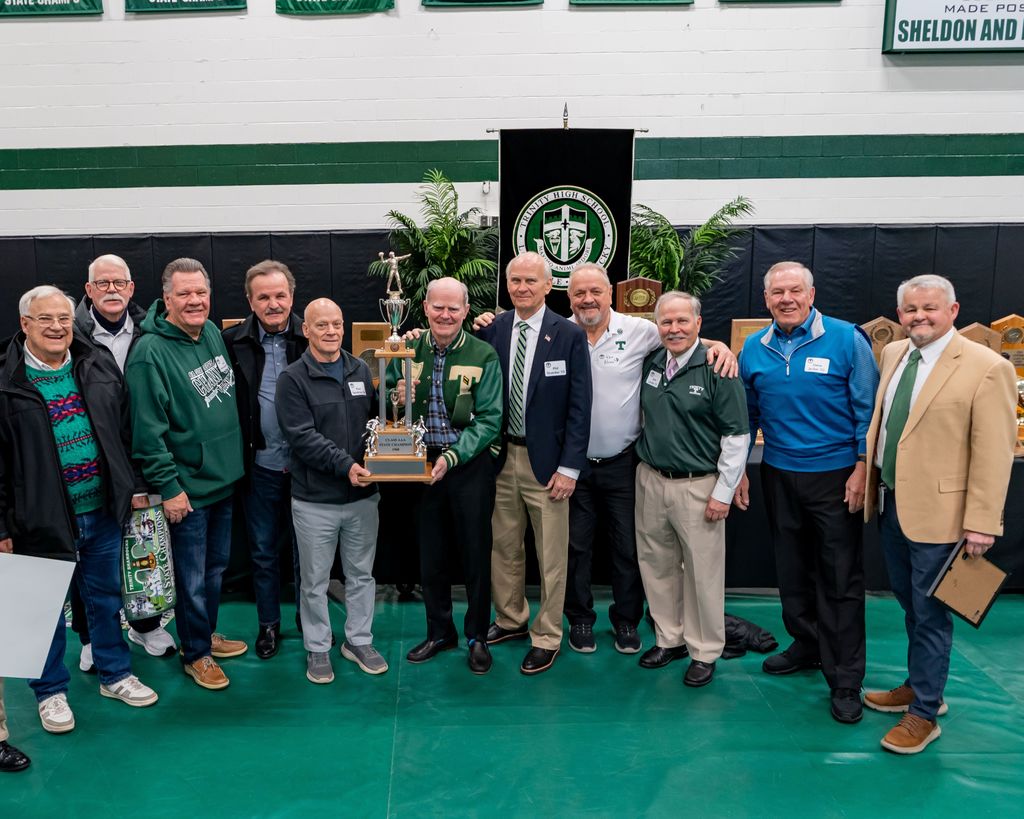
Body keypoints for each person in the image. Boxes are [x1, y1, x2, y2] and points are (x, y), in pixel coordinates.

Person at [862, 274, 1016, 754]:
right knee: (912, 606)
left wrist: (982, 523)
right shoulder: (893, 353)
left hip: (944, 517)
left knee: (931, 616)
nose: (918, 317)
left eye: (929, 308)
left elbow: (994, 452)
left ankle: (924, 713)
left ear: (952, 310)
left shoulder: (986, 366)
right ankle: (920, 684)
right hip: (893, 505)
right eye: (910, 309)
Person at [0, 286, 159, 734]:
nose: (56, 327)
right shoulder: (6, 380)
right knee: (41, 610)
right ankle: (50, 693)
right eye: (45, 319)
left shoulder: (96, 362)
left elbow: (125, 431)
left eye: (64, 319)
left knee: (105, 599)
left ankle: (115, 674)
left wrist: (132, 487)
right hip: (38, 520)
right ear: (25, 324)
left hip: (103, 511)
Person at [561, 263, 738, 658]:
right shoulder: (560, 332)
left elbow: (682, 337)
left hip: (625, 462)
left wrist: (718, 346)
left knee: (629, 548)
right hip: (573, 465)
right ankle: (581, 619)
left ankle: (627, 619)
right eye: (579, 293)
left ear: (610, 294)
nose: (587, 299)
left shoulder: (639, 331)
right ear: (568, 297)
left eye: (595, 291)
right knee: (576, 548)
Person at [736, 261, 878, 724]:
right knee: (792, 569)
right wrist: (738, 470)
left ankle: (845, 678)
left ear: (811, 294)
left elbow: (866, 410)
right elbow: (748, 416)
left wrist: (861, 467)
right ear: (766, 300)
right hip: (778, 471)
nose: (786, 299)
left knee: (839, 577)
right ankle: (808, 643)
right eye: (778, 293)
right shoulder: (755, 348)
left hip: (836, 475)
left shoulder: (846, 339)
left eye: (795, 290)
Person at [125, 258, 247, 691]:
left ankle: (205, 634)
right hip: (188, 492)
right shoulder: (149, 353)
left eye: (201, 293)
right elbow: (146, 435)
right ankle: (196, 653)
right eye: (185, 294)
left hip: (223, 480)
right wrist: (170, 489)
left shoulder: (211, 331)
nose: (195, 301)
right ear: (167, 298)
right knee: (192, 579)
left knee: (214, 571)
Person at [476, 252, 592, 675]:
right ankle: (510, 618)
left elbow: (581, 407)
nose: (522, 288)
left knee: (551, 555)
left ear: (548, 287)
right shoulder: (493, 330)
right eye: (515, 281)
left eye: (531, 281)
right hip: (502, 458)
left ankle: (547, 635)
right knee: (503, 547)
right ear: (506, 286)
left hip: (550, 465)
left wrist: (570, 468)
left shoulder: (569, 334)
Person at [634, 292, 750, 687]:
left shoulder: (718, 367)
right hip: (650, 479)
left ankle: (704, 650)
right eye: (666, 322)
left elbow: (737, 437)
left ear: (699, 324)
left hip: (698, 485)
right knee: (657, 564)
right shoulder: (651, 362)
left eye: (683, 321)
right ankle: (669, 638)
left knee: (702, 572)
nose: (674, 329)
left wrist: (723, 491)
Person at [392, 278, 503, 674]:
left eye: (453, 308)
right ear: (425, 308)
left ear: (465, 310)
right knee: (431, 555)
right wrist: (396, 396)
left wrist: (454, 457)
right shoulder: (408, 348)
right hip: (420, 465)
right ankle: (440, 631)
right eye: (438, 307)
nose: (445, 315)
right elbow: (388, 398)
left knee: (475, 554)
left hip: (468, 465)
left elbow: (490, 419)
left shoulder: (483, 354)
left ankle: (476, 635)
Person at [72, 253, 176, 665]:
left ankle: (147, 626)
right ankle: (89, 637)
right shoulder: (72, 335)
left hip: (141, 459)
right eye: (103, 284)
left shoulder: (151, 332)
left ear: (132, 289)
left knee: (143, 550)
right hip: (92, 466)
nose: (112, 290)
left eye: (119, 283)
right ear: (89, 291)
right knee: (92, 558)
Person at [275, 298, 386, 684]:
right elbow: (302, 438)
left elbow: (376, 422)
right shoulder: (292, 379)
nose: (331, 332)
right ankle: (318, 647)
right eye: (321, 325)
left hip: (362, 498)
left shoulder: (359, 368)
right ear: (305, 330)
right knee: (315, 582)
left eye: (337, 324)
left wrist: (397, 403)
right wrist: (347, 466)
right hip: (314, 501)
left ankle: (358, 640)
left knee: (361, 575)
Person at [223, 260, 307, 660]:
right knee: (262, 550)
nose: (273, 304)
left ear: (292, 296)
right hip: (259, 467)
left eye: (280, 296)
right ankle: (268, 625)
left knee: (307, 551)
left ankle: (311, 624)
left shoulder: (313, 335)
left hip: (309, 468)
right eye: (264, 297)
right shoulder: (229, 342)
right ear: (250, 300)